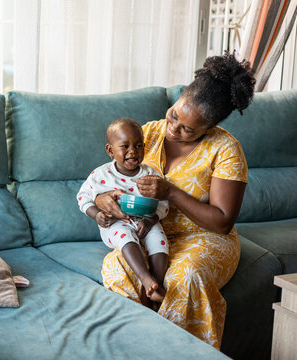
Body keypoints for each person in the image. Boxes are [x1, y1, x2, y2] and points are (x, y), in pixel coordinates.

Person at [94, 52, 255, 349]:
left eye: (187, 129)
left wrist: (171, 193)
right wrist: (103, 199)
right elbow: (112, 177)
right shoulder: (150, 133)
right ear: (179, 98)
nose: (173, 129)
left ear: (209, 129)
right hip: (151, 234)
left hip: (205, 239)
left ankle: (176, 353)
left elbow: (222, 222)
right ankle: (136, 349)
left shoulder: (226, 149)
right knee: (118, 267)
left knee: (185, 277)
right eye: (174, 115)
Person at [77, 118, 169, 306]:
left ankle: (156, 286)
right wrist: (96, 214)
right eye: (124, 146)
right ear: (110, 150)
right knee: (125, 234)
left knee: (159, 239)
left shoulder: (151, 174)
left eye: (138, 146)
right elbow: (82, 197)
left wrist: (151, 221)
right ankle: (145, 279)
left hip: (145, 221)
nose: (132, 151)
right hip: (115, 224)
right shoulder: (101, 175)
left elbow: (164, 203)